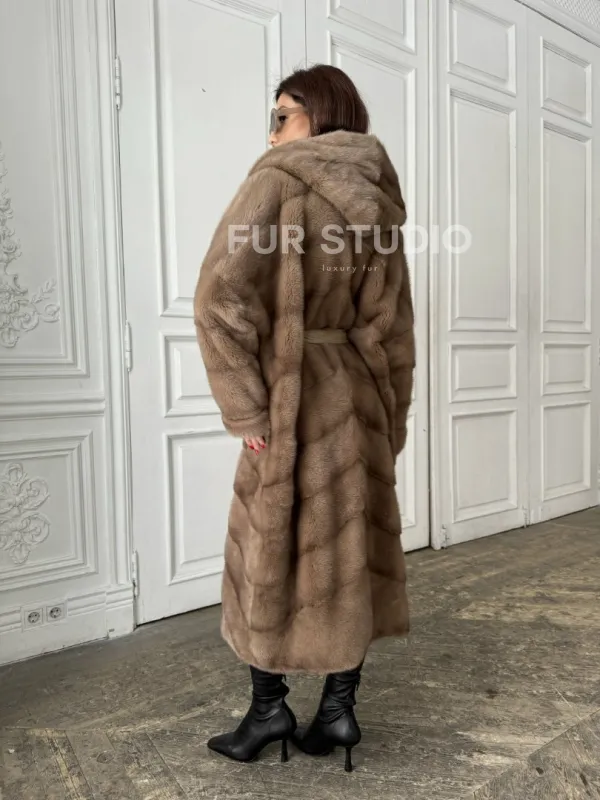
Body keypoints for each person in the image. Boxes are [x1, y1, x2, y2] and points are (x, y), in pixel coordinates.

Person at [193, 64, 415, 772]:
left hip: (291, 399)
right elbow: (391, 327)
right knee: (347, 555)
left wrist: (247, 407)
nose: (272, 132)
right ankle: (339, 712)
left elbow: (218, 297)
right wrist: (387, 421)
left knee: (271, 549)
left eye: (282, 115)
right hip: (355, 399)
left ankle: (269, 712)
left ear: (317, 114)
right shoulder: (376, 195)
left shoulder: (278, 181)